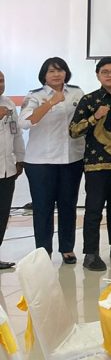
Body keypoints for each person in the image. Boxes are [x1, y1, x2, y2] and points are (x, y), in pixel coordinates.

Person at [68, 57, 111, 271]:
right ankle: (91, 253)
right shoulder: (90, 100)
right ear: (98, 75)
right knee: (94, 209)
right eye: (104, 71)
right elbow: (73, 131)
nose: (109, 75)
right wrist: (94, 117)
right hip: (97, 164)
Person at [19, 57, 85, 263]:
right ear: (44, 75)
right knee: (43, 208)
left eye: (60, 70)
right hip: (41, 162)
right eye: (51, 71)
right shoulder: (35, 96)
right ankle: (43, 250)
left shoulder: (76, 92)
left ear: (66, 73)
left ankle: (67, 248)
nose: (56, 74)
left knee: (68, 205)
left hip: (72, 158)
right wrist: (50, 103)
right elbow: (25, 122)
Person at [0, 71, 25, 269]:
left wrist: (20, 159)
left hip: (7, 170)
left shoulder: (8, 104)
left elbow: (16, 134)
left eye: (2, 80)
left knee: (2, 215)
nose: (0, 84)